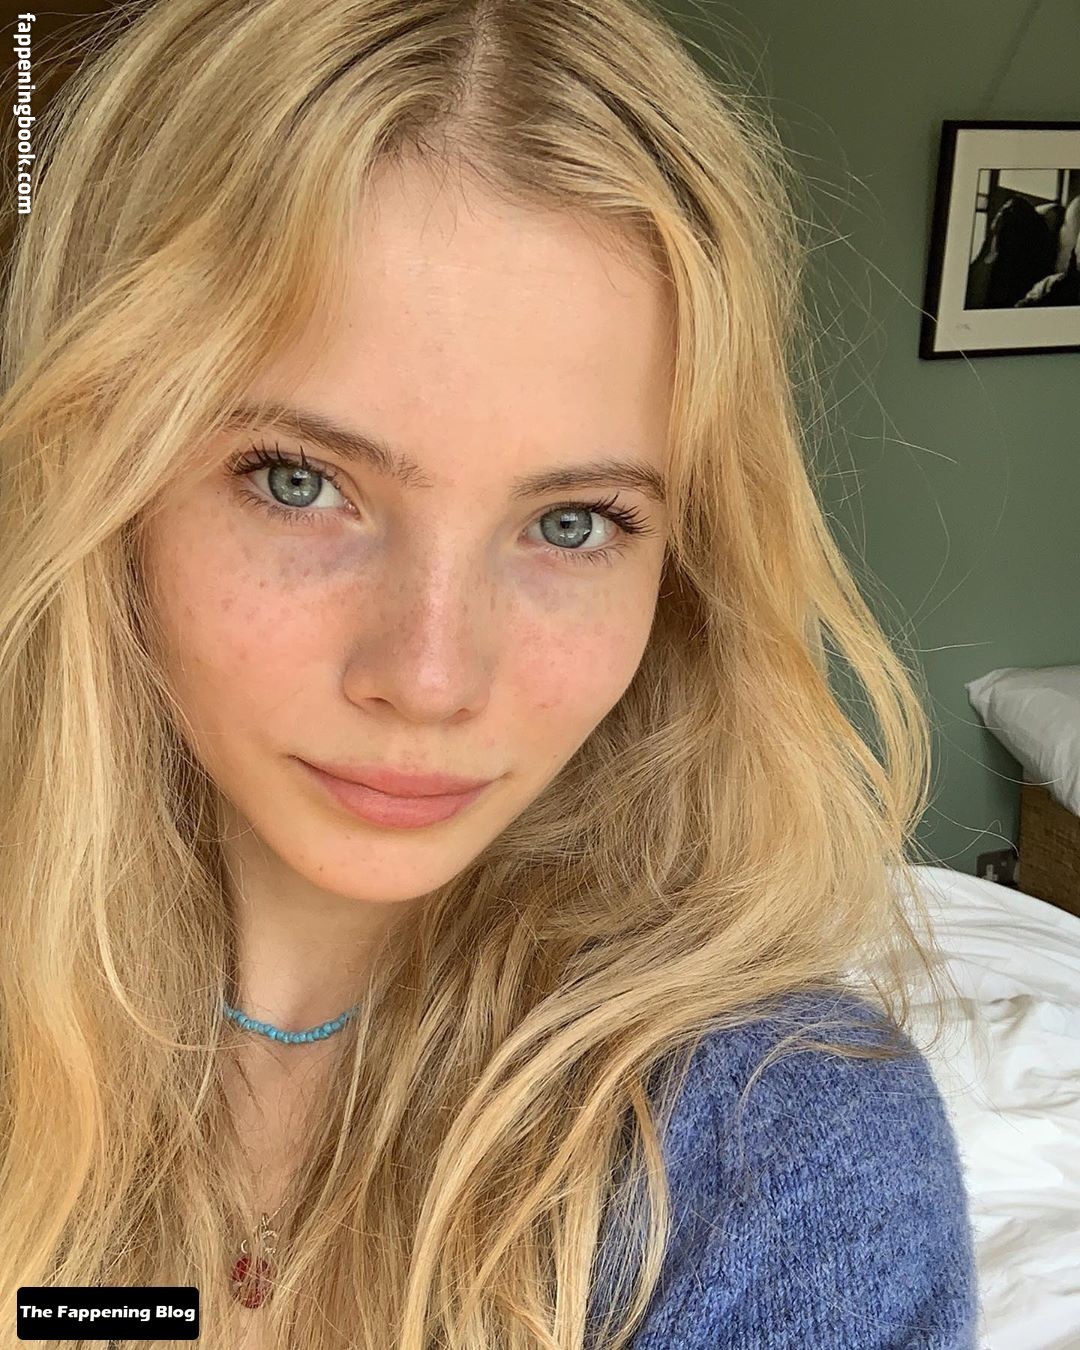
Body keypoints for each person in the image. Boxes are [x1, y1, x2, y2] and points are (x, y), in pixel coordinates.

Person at [0, 0, 979, 1347]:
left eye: (571, 524)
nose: (430, 676)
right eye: (300, 482)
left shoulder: (772, 1156)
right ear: (96, 470)